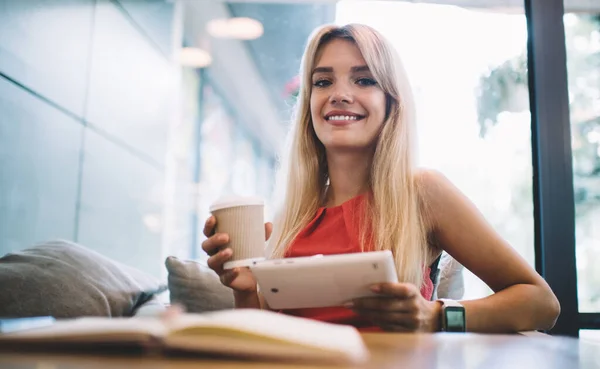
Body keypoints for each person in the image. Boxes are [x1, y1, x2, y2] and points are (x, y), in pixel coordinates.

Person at [202, 23, 560, 333]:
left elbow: (541, 303)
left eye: (364, 79)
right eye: (323, 81)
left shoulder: (422, 192)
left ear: (392, 102)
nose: (340, 94)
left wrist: (434, 315)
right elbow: (271, 340)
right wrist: (246, 291)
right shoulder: (292, 218)